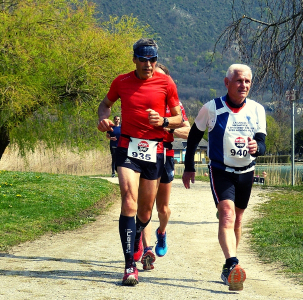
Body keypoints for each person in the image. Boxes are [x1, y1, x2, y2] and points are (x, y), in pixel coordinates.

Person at [97, 38, 182, 286]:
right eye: (143, 59)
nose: (148, 64)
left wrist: (164, 122)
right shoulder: (121, 82)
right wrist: (103, 119)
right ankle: (129, 266)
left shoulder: (166, 82)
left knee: (145, 212)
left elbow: (179, 118)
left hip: (154, 152)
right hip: (128, 148)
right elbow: (105, 105)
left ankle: (137, 240)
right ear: (134, 59)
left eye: (153, 59)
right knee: (128, 201)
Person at [182, 64, 267, 291]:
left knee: (238, 219)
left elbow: (262, 144)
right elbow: (193, 137)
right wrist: (189, 167)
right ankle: (233, 264)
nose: (244, 85)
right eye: (239, 81)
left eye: (248, 81)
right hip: (220, 170)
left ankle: (228, 268)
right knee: (227, 214)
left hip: (246, 171)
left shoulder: (257, 109)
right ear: (227, 82)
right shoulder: (211, 108)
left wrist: (256, 146)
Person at [140, 63, 190, 271]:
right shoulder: (142, 100)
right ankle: (146, 249)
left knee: (163, 208)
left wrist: (165, 124)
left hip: (167, 155)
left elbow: (189, 132)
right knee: (145, 206)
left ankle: (161, 232)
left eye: (160, 78)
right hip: (144, 155)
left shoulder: (174, 106)